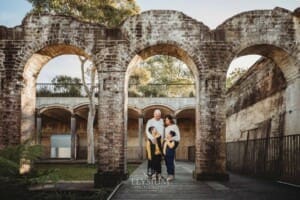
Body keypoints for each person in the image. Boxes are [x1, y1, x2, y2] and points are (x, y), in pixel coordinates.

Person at [145, 109, 164, 176]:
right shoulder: (150, 121)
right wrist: (152, 139)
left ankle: (158, 173)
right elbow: (147, 131)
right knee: (151, 158)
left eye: (159, 116)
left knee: (158, 158)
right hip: (152, 141)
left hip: (160, 140)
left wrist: (162, 140)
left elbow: (163, 131)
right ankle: (151, 173)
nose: (158, 117)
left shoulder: (162, 121)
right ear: (154, 114)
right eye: (157, 115)